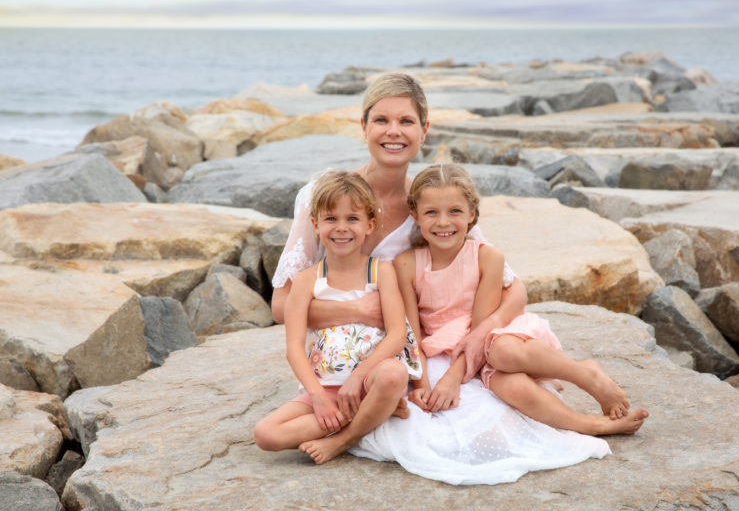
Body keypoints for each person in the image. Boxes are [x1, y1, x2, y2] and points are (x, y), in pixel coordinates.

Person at [349, 165, 647, 485]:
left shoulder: (487, 258)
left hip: (492, 338)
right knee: (512, 388)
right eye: (431, 212)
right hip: (445, 350)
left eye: (455, 211)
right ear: (415, 214)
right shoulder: (405, 265)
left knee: (502, 351)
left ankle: (583, 373)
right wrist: (422, 387)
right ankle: (589, 425)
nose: (444, 222)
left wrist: (452, 379)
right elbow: (414, 336)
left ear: (473, 214)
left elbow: (480, 331)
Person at [271, 72, 524, 385]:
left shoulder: (431, 205)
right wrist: (360, 310)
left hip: (414, 360)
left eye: (406, 121)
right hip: (338, 364)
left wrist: (482, 333)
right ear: (363, 128)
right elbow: (282, 306)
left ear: (424, 131)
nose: (394, 132)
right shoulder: (322, 198)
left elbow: (513, 288)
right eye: (381, 120)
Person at [253, 171, 419, 465]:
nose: (341, 228)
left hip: (369, 380)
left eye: (352, 219)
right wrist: (317, 396)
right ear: (315, 225)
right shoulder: (306, 281)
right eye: (331, 219)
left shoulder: (381, 271)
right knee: (266, 434)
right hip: (326, 387)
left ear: (369, 225)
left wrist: (358, 378)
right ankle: (375, 411)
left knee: (394, 374)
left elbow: (396, 335)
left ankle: (345, 438)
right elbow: (293, 347)